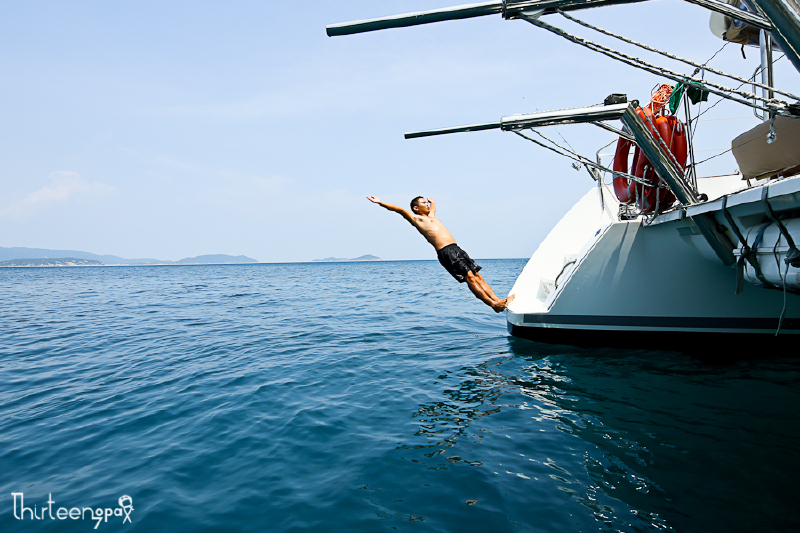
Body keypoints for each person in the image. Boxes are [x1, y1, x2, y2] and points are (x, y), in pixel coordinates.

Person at [367, 195, 514, 312]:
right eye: (424, 203)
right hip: (446, 252)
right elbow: (398, 209)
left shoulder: (432, 217)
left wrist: (432, 202)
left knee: (478, 276)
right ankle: (492, 304)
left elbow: (433, 209)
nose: (427, 205)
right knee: (470, 277)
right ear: (416, 208)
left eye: (427, 203)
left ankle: (498, 300)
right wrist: (380, 202)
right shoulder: (416, 219)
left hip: (457, 249)